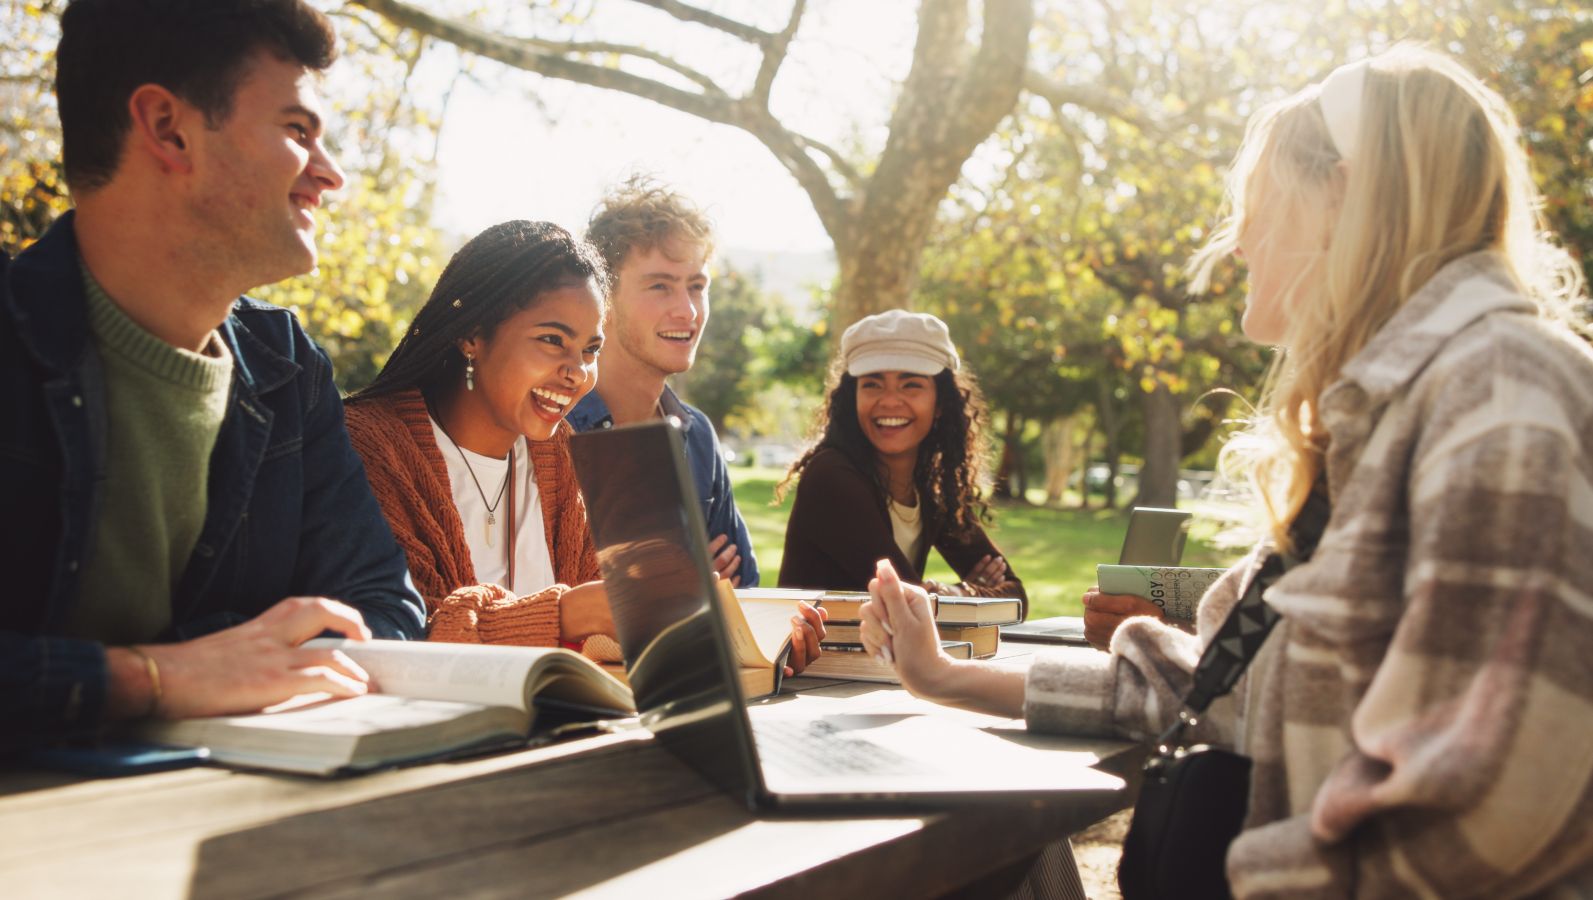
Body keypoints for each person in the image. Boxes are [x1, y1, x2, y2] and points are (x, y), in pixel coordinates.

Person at [861, 46, 1593, 897]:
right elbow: (1203, 684)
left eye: (1258, 205)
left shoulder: (1501, 394)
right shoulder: (1387, 415)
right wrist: (942, 674)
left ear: (1346, 197)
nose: (1239, 241)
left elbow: (1489, 809)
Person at [2, 0, 427, 751]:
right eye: (298, 131)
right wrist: (157, 678)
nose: (328, 176)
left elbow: (383, 603)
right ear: (169, 129)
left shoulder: (288, 368)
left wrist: (238, 667)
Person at [570, 176, 826, 669]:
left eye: (697, 286)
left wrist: (783, 635)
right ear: (602, 296)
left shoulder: (698, 436)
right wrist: (682, 592)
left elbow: (741, 594)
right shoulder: (556, 431)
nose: (686, 310)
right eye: (660, 285)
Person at [343, 220, 619, 656]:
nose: (578, 372)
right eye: (553, 340)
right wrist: (565, 614)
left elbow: (603, 624)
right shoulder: (370, 448)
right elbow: (399, 633)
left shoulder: (561, 455)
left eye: (591, 350)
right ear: (471, 335)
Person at [778, 310, 1026, 615]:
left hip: (883, 659)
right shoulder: (831, 477)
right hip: (816, 660)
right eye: (872, 384)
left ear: (941, 404)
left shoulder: (931, 488)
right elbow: (907, 603)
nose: (890, 401)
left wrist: (948, 593)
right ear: (851, 396)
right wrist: (967, 594)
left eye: (911, 385)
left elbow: (1015, 598)